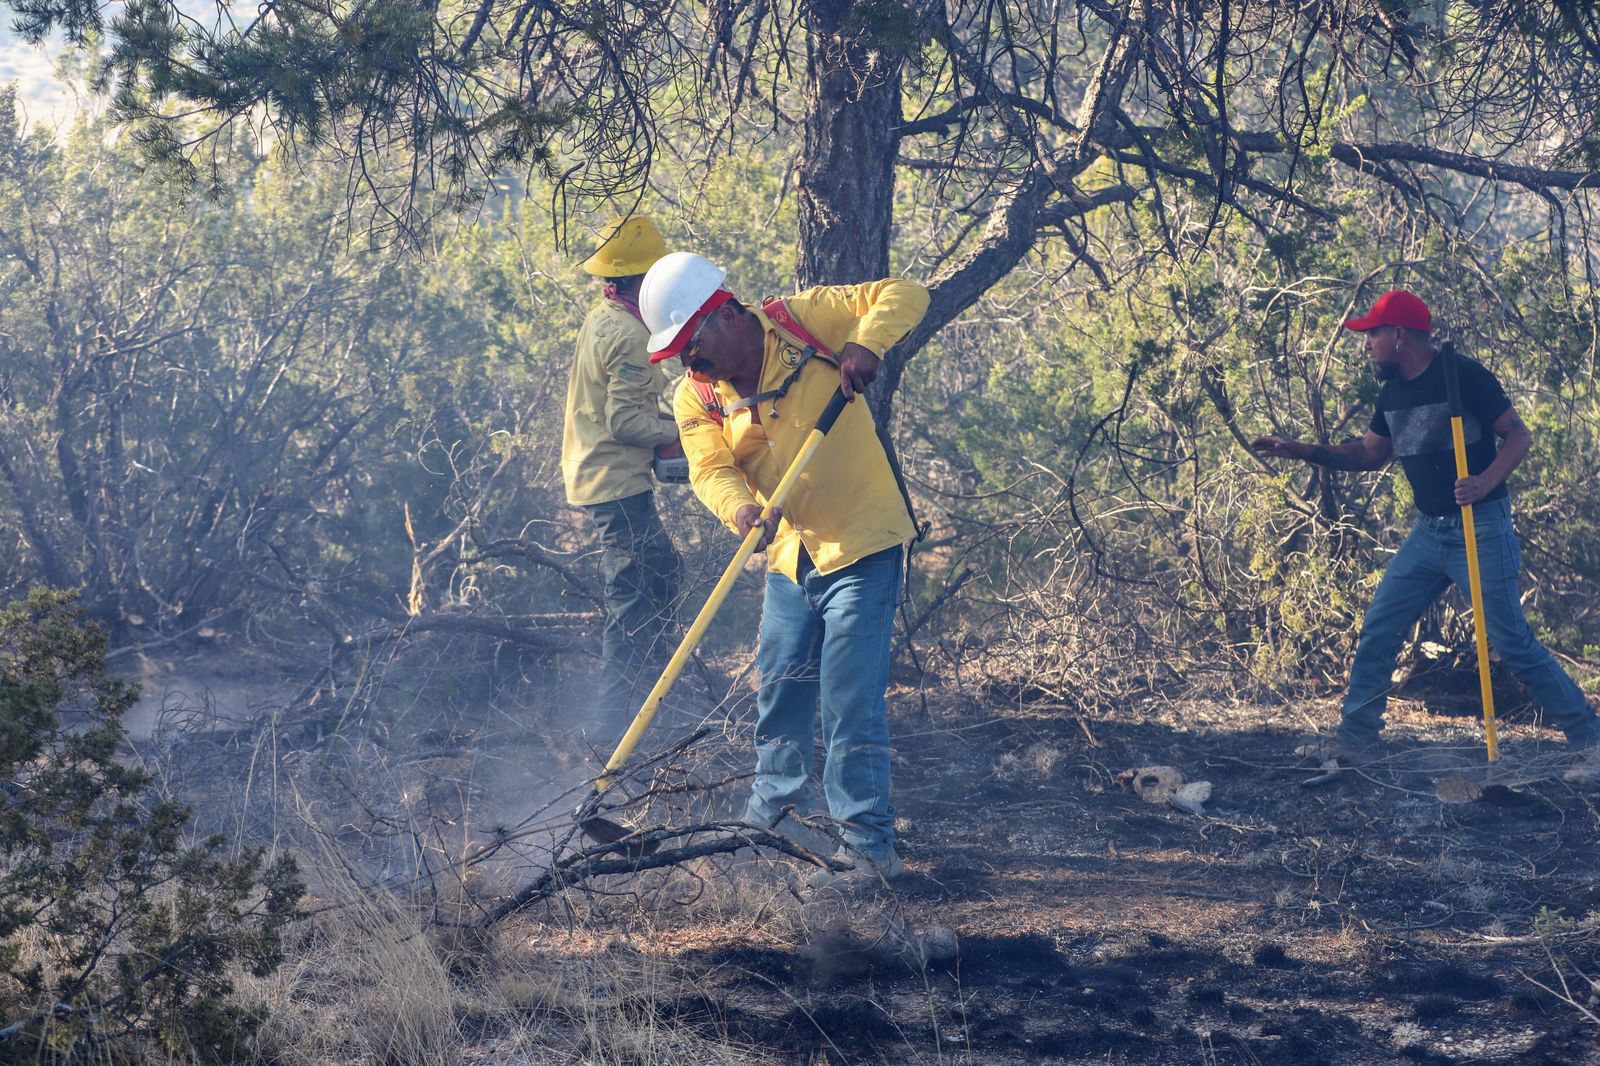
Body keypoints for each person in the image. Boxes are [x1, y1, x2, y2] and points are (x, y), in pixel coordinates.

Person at [638, 251, 929, 880]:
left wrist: (864, 344)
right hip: (789, 556)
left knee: (851, 701)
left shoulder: (801, 323)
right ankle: (769, 837)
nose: (690, 363)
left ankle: (870, 854)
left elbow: (904, 293)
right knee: (781, 697)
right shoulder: (697, 396)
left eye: (693, 346)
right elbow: (710, 469)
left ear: (724, 316)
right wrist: (742, 512)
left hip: (861, 544)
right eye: (679, 354)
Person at [1253, 289, 1600, 776]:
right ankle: (1353, 741)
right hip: (1429, 533)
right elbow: (1368, 456)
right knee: (1380, 626)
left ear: (1398, 336)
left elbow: (1519, 435)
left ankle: (1591, 740)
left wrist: (1484, 482)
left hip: (1480, 527)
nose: (1366, 344)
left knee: (1513, 642)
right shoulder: (1391, 392)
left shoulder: (1464, 377)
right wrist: (1301, 449)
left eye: (1372, 334)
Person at [560, 216, 685, 737]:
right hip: (615, 482)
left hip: (602, 475)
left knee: (664, 573)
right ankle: (615, 728)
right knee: (633, 599)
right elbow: (625, 421)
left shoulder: (604, 316)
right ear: (646, 280)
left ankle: (649, 700)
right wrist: (685, 427)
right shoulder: (630, 334)